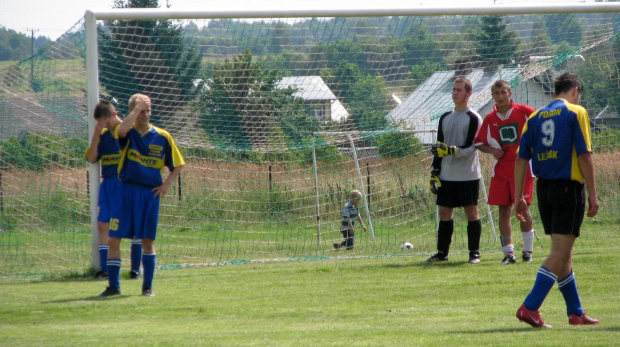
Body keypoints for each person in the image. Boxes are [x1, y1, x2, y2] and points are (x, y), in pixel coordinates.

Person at [514, 72, 599, 328]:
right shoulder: (576, 112)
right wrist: (593, 192)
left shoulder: (534, 117)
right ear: (575, 91)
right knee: (559, 252)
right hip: (566, 188)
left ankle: (575, 312)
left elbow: (521, 159)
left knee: (564, 253)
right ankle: (530, 307)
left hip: (544, 189)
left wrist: (520, 196)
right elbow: (584, 155)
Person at [98, 93, 185, 297]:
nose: (146, 115)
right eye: (141, 110)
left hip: (148, 195)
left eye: (148, 110)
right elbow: (122, 130)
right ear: (133, 112)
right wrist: (135, 109)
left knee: (147, 241)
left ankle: (147, 287)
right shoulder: (126, 132)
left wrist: (166, 185)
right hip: (125, 191)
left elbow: (178, 164)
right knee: (114, 239)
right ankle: (113, 286)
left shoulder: (163, 136)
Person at [474, 80, 536, 264]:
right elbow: (479, 142)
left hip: (524, 169)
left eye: (503, 92)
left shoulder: (524, 112)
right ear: (493, 96)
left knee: (523, 208)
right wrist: (492, 150)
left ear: (510, 93)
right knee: (503, 211)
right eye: (497, 93)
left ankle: (528, 252)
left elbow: (541, 130)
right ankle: (509, 253)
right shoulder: (490, 119)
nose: (500, 96)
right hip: (501, 171)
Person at [428, 77, 483, 264]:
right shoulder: (445, 117)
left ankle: (474, 253)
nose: (455, 93)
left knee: (471, 212)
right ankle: (442, 253)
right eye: (453, 89)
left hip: (468, 174)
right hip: (447, 175)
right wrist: (434, 172)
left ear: (469, 94)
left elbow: (471, 147)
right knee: (444, 213)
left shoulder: (473, 117)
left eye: (459, 90)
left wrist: (452, 150)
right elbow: (439, 147)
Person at [85, 100, 142, 280]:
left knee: (133, 226)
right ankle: (105, 269)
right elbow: (92, 158)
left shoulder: (126, 133)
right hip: (108, 184)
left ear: (114, 114)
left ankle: (135, 270)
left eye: (106, 121)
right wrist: (95, 135)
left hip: (126, 184)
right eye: (100, 123)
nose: (104, 125)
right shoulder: (102, 136)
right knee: (103, 224)